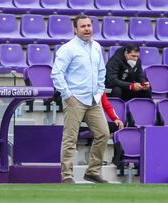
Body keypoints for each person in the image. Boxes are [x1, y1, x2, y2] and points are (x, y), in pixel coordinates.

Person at [51, 15, 110, 184]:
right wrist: (67, 94)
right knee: (70, 138)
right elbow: (56, 73)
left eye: (89, 25)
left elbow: (101, 71)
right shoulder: (67, 49)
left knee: (103, 134)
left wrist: (99, 91)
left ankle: (92, 171)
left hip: (93, 99)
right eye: (83, 26)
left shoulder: (97, 47)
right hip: (74, 98)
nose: (87, 29)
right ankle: (67, 176)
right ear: (75, 30)